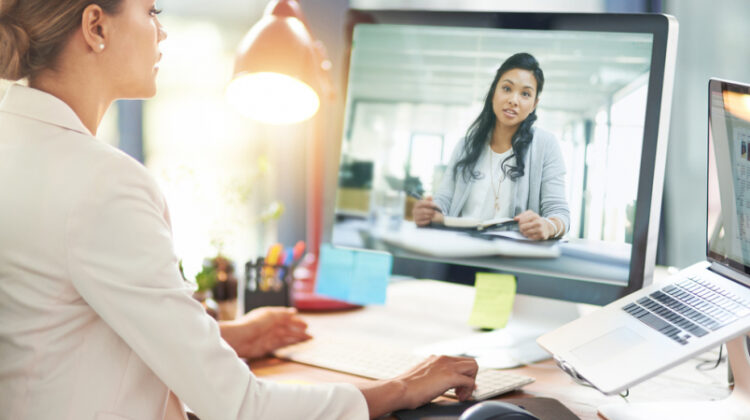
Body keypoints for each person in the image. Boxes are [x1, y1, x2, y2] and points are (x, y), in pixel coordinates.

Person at [0, 1, 478, 419]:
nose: (162, 32)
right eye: (151, 11)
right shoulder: (101, 182)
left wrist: (226, 337)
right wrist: (402, 388)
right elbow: (241, 408)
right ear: (96, 27)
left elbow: (61, 327)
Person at [412, 53, 570, 241]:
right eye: (507, 88)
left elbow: (560, 214)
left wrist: (548, 225)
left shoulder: (545, 145)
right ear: (494, 92)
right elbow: (444, 202)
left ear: (534, 104)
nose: (514, 100)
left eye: (525, 94)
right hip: (458, 251)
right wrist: (429, 212)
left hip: (511, 257)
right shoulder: (465, 146)